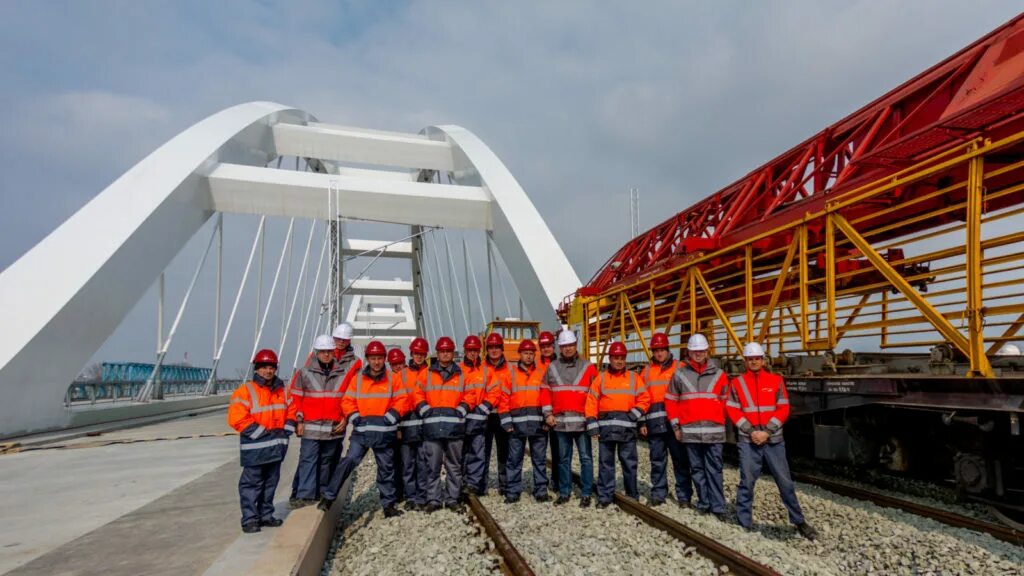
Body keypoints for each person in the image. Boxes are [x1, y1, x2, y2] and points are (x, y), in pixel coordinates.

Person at [728, 342, 817, 539]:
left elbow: (783, 408)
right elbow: (732, 410)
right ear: (745, 361)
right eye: (750, 359)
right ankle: (744, 521)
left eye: (757, 358)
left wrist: (767, 431)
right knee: (747, 482)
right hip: (748, 441)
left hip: (773, 441)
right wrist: (751, 431)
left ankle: (799, 521)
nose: (754, 362)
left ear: (763, 360)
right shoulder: (737, 383)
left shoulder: (775, 381)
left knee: (785, 482)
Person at [319, 341, 408, 517]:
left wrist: (389, 418)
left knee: (386, 469)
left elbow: (402, 400)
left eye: (380, 358)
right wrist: (355, 418)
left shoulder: (393, 378)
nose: (376, 362)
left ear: (384, 359)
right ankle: (328, 497)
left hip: (383, 434)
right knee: (349, 461)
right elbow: (347, 401)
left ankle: (388, 506)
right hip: (361, 433)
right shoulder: (358, 379)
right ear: (367, 359)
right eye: (373, 358)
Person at [227, 349, 296, 533]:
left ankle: (265, 515)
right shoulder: (245, 391)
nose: (268, 371)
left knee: (270, 483)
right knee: (252, 484)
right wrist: (263, 433)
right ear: (257, 369)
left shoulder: (283, 390)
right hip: (255, 448)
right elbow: (237, 418)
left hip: (276, 448)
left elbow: (292, 410)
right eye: (264, 367)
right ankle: (250, 519)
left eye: (271, 367)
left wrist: (287, 430)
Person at [667, 333, 728, 520]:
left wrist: (718, 418)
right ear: (689, 352)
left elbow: (726, 401)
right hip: (690, 432)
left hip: (714, 433)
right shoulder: (679, 375)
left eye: (701, 350)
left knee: (715, 469)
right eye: (695, 351)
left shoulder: (719, 375)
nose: (698, 354)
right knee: (697, 470)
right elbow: (671, 401)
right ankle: (704, 503)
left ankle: (718, 507)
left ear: (707, 351)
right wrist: (676, 426)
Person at [288, 335, 354, 508]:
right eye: (323, 351)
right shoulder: (304, 372)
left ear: (334, 352)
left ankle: (321, 492)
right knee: (308, 460)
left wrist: (346, 419)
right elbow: (296, 398)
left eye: (329, 351)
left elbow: (348, 398)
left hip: (332, 428)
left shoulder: (343, 374)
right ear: (316, 352)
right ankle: (304, 495)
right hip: (310, 426)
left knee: (326, 461)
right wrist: (299, 420)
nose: (326, 354)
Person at [586, 341, 650, 509]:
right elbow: (591, 401)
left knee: (629, 463)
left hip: (627, 430)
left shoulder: (633, 378)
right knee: (606, 465)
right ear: (610, 358)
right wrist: (592, 424)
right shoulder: (601, 379)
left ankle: (631, 495)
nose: (619, 361)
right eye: (616, 358)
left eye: (622, 358)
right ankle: (605, 497)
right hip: (606, 430)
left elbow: (645, 399)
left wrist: (634, 415)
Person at [414, 336, 473, 512]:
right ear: (437, 354)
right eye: (442, 351)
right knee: (432, 466)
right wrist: (425, 411)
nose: (445, 354)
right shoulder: (426, 374)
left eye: (448, 351)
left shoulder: (462, 374)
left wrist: (461, 410)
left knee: (454, 466)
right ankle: (434, 499)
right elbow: (417, 394)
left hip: (454, 428)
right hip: (432, 429)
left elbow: (471, 394)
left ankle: (452, 499)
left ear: (452, 353)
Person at [544, 329, 597, 507]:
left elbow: (595, 394)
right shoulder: (552, 367)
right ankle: (564, 492)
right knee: (563, 459)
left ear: (576, 346)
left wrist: (593, 419)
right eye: (565, 346)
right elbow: (545, 392)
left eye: (571, 345)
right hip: (560, 423)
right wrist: (548, 414)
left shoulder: (589, 367)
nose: (568, 349)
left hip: (582, 422)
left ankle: (586, 493)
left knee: (586, 459)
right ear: (560, 347)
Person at [641, 332, 693, 507]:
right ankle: (658, 493)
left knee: (681, 461)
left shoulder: (681, 367)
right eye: (656, 350)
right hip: (655, 424)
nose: (659, 353)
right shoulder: (646, 372)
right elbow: (641, 397)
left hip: (675, 424)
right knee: (657, 461)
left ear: (668, 349)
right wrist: (642, 422)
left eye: (662, 350)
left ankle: (684, 496)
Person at [500, 339, 554, 503]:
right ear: (520, 354)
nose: (529, 356)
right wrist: (506, 422)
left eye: (531, 353)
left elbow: (547, 397)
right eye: (526, 353)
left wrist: (546, 419)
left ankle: (540, 491)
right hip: (516, 427)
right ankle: (513, 492)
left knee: (539, 460)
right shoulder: (510, 375)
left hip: (538, 425)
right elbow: (504, 400)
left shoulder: (541, 374)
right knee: (514, 460)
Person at [461, 335, 501, 496]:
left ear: (479, 351)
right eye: (470, 350)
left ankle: (473, 484)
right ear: (465, 350)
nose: (472, 353)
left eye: (475, 350)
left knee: (478, 452)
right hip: (462, 418)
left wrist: (484, 408)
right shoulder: (458, 370)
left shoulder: (486, 371)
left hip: (479, 419)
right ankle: (462, 482)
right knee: (462, 453)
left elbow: (495, 391)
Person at [476, 332, 512, 496]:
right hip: (485, 415)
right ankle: (481, 486)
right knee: (483, 452)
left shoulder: (510, 368)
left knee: (504, 452)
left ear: (502, 349)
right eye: (491, 347)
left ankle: (504, 486)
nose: (494, 350)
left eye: (497, 347)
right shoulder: (481, 368)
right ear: (487, 349)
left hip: (503, 415)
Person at [398, 337, 430, 510]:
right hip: (406, 423)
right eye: (416, 353)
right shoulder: (401, 375)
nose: (419, 356)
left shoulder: (432, 373)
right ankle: (411, 497)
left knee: (423, 462)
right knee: (408, 463)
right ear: (411, 353)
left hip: (425, 423)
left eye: (422, 354)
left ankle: (422, 496)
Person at [537, 330, 560, 491]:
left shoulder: (561, 365)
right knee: (540, 452)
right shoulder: (536, 366)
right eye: (543, 346)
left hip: (558, 413)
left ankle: (558, 481)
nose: (546, 349)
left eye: (548, 346)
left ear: (554, 346)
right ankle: (541, 483)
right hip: (540, 412)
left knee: (559, 451)